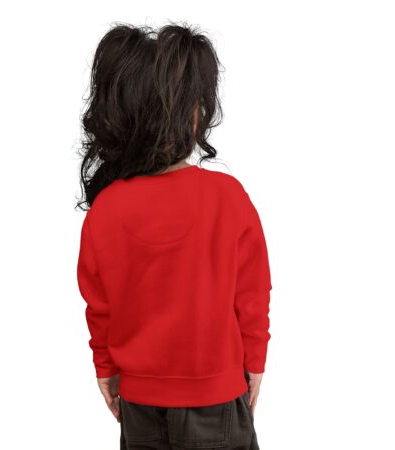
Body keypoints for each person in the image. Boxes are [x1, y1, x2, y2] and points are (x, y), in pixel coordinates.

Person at [76, 22, 272, 450]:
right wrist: (254, 361)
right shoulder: (227, 197)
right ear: (194, 112)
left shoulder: (107, 208)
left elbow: (100, 305)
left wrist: (105, 367)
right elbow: (252, 294)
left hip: (140, 403)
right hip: (217, 399)